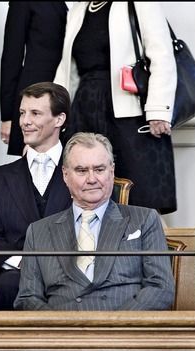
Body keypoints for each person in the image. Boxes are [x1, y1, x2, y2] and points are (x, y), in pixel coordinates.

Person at [14, 132, 175, 310]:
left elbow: (160, 287)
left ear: (112, 172)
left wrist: (117, 325)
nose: (92, 179)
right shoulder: (38, 232)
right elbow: (28, 298)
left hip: (125, 331)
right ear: (65, 175)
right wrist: (60, 329)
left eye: (99, 169)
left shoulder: (144, 220)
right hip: (63, 332)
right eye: (81, 171)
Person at [54, 2, 177, 214]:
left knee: (141, 198)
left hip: (130, 109)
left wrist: (158, 110)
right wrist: (55, 115)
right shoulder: (78, 9)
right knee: (85, 195)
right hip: (84, 109)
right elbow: (67, 70)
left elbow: (162, 55)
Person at [0, 82, 73, 310]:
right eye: (22, 113)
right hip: (15, 278)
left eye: (35, 113)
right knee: (8, 286)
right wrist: (24, 263)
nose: (25, 121)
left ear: (59, 119)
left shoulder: (82, 172)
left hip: (72, 274)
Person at [0, 2, 67, 156]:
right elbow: (11, 57)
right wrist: (8, 116)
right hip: (35, 94)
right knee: (32, 165)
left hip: (67, 95)